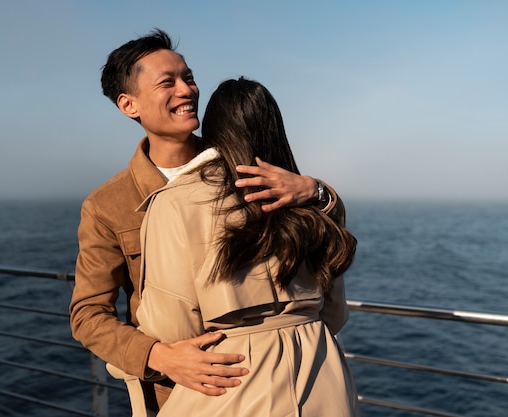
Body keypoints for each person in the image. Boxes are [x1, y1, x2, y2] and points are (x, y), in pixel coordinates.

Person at [69, 29, 341, 412]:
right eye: (168, 82)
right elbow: (87, 315)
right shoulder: (108, 205)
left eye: (189, 77)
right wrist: (157, 356)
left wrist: (316, 190)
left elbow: (321, 241)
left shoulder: (247, 165)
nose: (188, 90)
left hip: (286, 381)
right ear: (129, 105)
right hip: (184, 392)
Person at [135, 77, 359, 416]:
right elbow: (335, 313)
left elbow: (171, 329)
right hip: (324, 376)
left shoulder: (174, 202)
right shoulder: (305, 200)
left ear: (212, 132)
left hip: (232, 379)